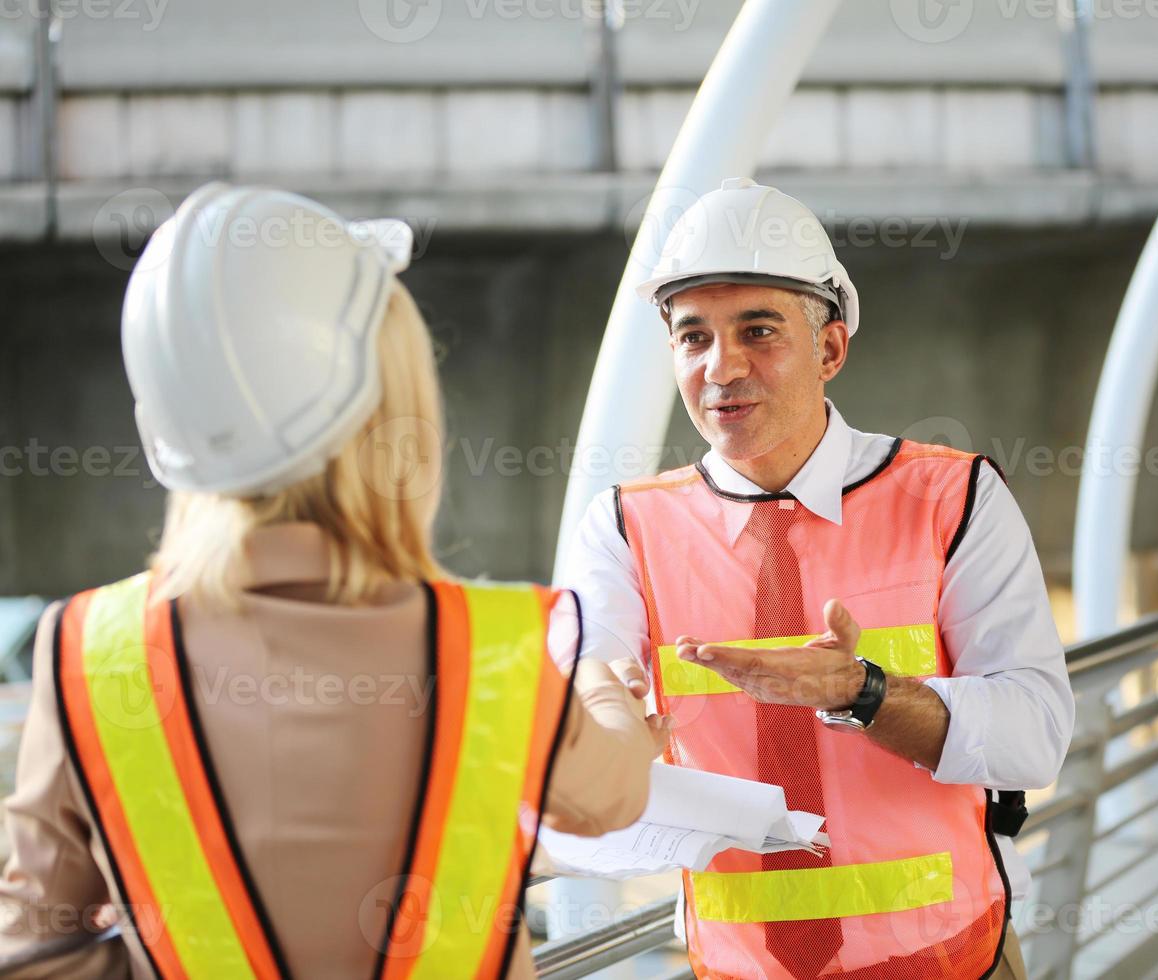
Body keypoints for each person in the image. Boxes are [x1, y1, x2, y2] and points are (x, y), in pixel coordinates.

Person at [0, 183, 666, 979]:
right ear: (391, 416)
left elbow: (31, 954)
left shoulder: (88, 655)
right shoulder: (494, 651)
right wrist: (595, 685)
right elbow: (612, 797)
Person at [561, 178, 1075, 979]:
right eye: (692, 337)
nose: (721, 367)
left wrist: (862, 692)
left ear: (830, 348)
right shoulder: (625, 528)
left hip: (951, 963)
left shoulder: (953, 498)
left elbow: (1035, 735)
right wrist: (605, 726)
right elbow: (589, 680)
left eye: (758, 330)